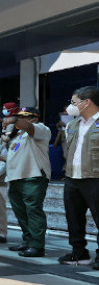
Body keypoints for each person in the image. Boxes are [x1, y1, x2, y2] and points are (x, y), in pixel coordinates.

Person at [2, 107, 51, 257]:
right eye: (19, 117)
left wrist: (14, 120)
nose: (21, 120)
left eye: (25, 117)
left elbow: (29, 127)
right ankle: (28, 241)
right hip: (16, 178)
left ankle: (37, 246)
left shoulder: (41, 129)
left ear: (34, 118)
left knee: (33, 211)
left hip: (33, 176)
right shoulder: (18, 136)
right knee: (21, 212)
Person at [59, 86, 99, 269]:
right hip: (72, 178)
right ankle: (79, 253)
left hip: (95, 178)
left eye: (74, 102)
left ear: (87, 102)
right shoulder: (72, 125)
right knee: (73, 218)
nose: (71, 106)